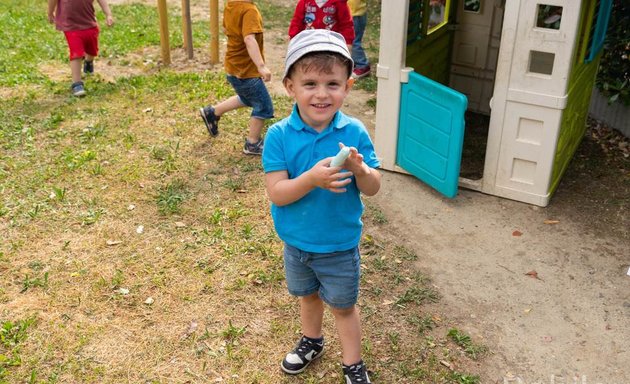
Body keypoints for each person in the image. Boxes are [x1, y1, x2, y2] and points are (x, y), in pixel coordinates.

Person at [262, 29, 381, 384]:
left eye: (332, 83)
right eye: (310, 83)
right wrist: (312, 179)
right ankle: (311, 340)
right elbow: (278, 193)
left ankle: (353, 364)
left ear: (347, 87)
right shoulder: (279, 136)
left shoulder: (354, 131)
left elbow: (373, 188)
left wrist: (361, 170)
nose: (321, 93)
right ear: (290, 87)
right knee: (308, 297)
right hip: (297, 244)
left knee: (344, 307)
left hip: (339, 246)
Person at [199, 0, 273, 155]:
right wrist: (260, 66)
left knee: (247, 98)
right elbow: (249, 39)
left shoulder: (231, 5)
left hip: (233, 67)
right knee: (263, 106)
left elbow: (226, 28)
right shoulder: (249, 11)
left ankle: (213, 112)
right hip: (246, 72)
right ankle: (252, 143)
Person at [48, 0, 114, 97]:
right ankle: (77, 84)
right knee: (76, 54)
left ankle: (88, 62)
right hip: (70, 25)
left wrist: (108, 14)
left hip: (89, 23)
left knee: (92, 51)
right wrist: (50, 12)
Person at [288, 0, 355, 46]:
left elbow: (346, 25)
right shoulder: (305, 2)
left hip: (331, 43)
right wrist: (293, 38)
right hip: (308, 42)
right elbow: (297, 22)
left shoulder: (339, 2)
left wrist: (347, 43)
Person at [348, 0, 370, 79]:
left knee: (353, 41)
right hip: (353, 13)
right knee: (349, 40)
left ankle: (362, 65)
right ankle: (354, 63)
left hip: (354, 14)